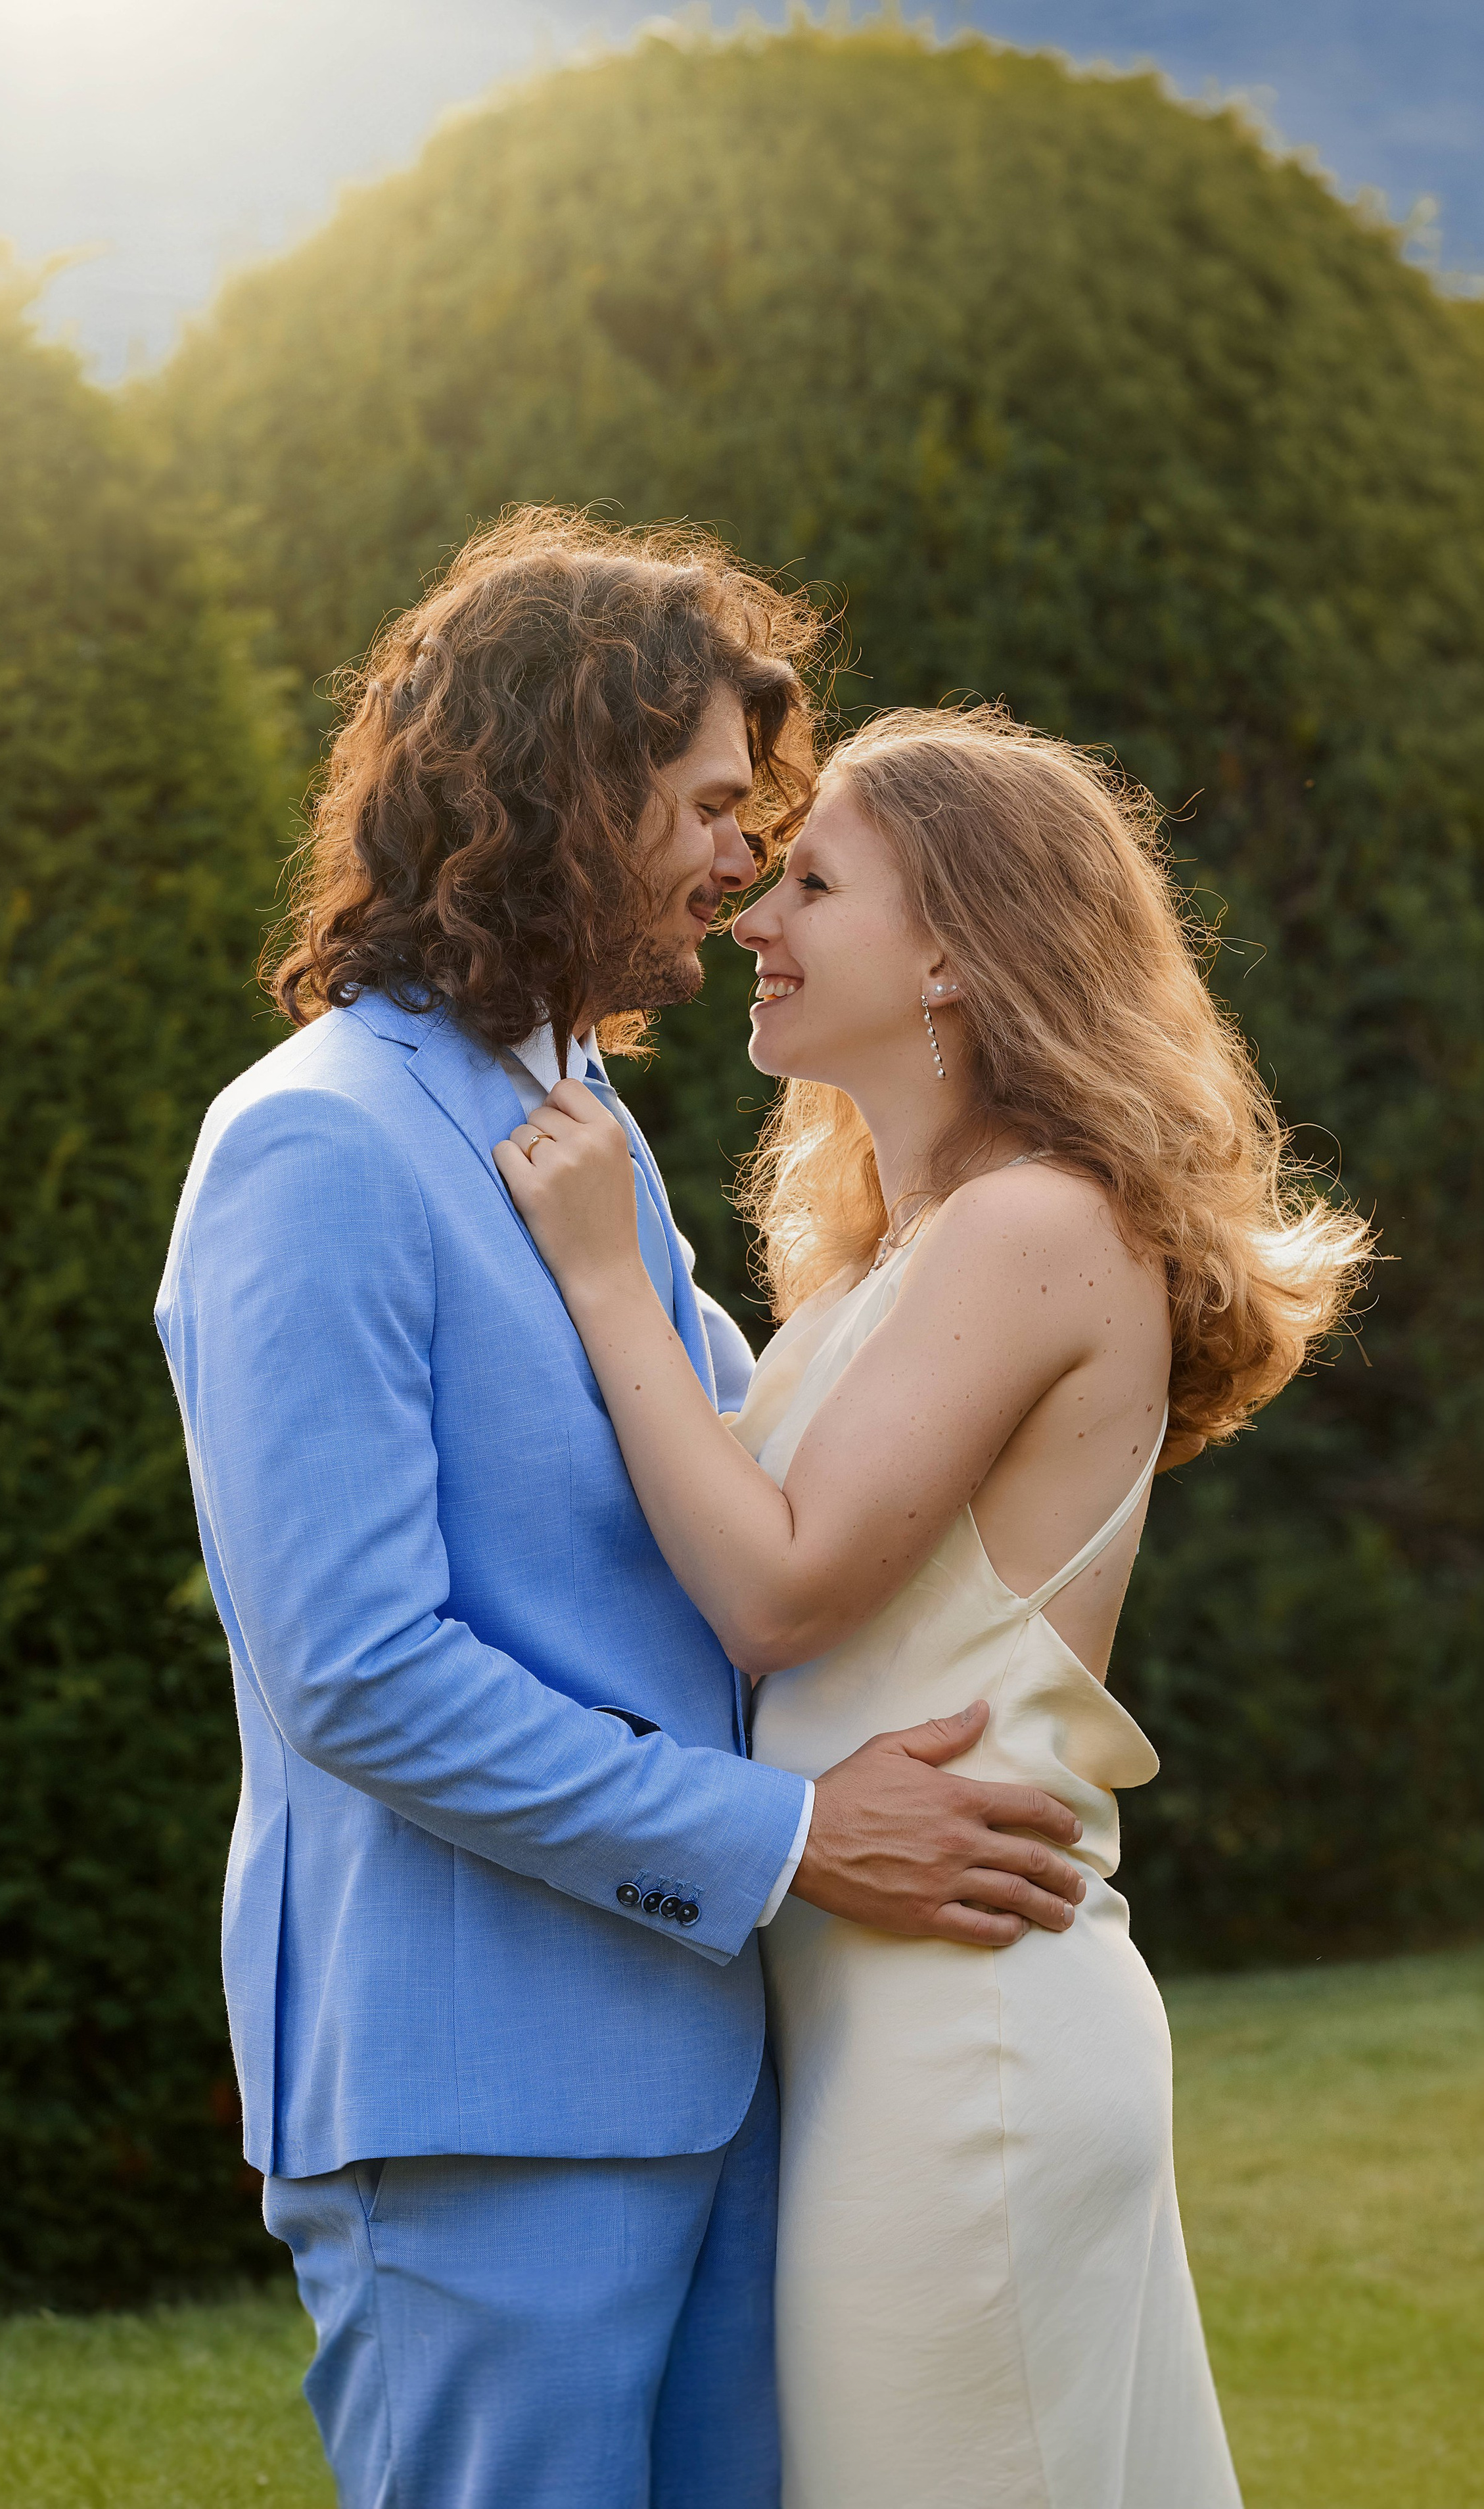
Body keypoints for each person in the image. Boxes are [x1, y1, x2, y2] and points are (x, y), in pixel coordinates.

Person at [154, 514, 1094, 2509]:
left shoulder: (579, 1125)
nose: (741, 859)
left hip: (709, 2072)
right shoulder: (315, 1146)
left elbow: (747, 1507)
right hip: (478, 2108)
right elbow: (360, 1673)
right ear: (566, 792)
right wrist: (794, 1839)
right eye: (706, 806)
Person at [498, 703, 1370, 2508]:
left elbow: (777, 1593)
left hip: (966, 2044)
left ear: (958, 949)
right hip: (880, 2025)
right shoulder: (889, 1265)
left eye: (815, 884)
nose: (753, 913)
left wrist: (602, 1283)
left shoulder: (1035, 1225)